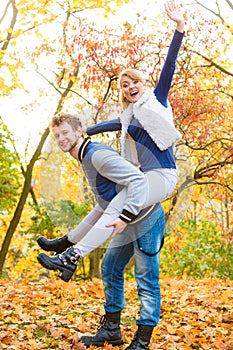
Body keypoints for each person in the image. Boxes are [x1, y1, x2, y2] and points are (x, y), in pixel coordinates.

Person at [38, 0, 185, 268]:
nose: (130, 87)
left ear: (143, 84)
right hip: (145, 176)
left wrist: (179, 26)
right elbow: (109, 125)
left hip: (163, 175)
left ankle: (71, 257)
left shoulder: (157, 101)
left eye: (134, 82)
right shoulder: (130, 118)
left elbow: (170, 65)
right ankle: (66, 243)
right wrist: (82, 133)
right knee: (104, 205)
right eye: (125, 85)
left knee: (117, 204)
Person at [37, 112, 161, 283]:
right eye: (57, 135)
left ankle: (70, 258)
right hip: (126, 216)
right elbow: (105, 203)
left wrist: (126, 216)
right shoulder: (86, 156)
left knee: (147, 279)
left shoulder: (96, 155)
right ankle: (66, 247)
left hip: (145, 217)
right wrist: (69, 240)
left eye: (65, 133)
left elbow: (139, 180)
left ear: (79, 131)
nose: (61, 139)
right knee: (110, 268)